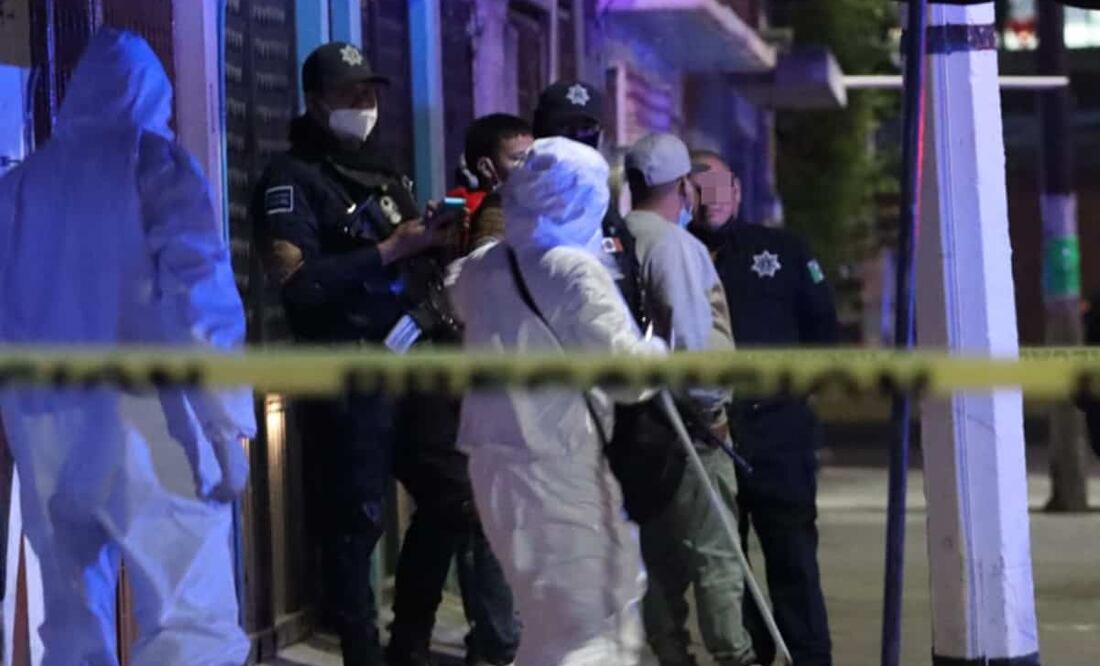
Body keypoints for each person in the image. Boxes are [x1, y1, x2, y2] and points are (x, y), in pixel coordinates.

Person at [0, 29, 254, 665]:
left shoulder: (18, 189)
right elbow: (202, 306)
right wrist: (227, 423)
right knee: (188, 622)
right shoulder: (155, 163)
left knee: (71, 630)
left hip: (47, 436)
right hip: (155, 434)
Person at [251, 42, 453, 665]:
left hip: (412, 357)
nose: (364, 105)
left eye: (369, 93)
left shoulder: (384, 168)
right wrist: (389, 251)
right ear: (316, 103)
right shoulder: (291, 181)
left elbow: (409, 252)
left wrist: (438, 240)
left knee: (449, 497)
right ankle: (363, 653)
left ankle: (410, 645)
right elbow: (301, 285)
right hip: (347, 369)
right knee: (355, 523)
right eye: (349, 95)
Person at [448, 137, 666, 666]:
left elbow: (455, 293)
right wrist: (659, 349)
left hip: (493, 465)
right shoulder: (572, 269)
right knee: (591, 620)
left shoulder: (481, 268)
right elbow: (628, 375)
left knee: (550, 620)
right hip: (556, 463)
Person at [386, 114, 531, 666]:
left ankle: (423, 638)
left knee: (453, 515)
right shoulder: (468, 215)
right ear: (489, 164)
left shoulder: (520, 213)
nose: (531, 170)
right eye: (520, 159)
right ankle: (482, 641)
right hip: (445, 393)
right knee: (462, 509)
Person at [689, 149, 836, 666]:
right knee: (729, 571)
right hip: (708, 435)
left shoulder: (782, 250)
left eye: (720, 185)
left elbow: (823, 333)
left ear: (738, 190)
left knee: (793, 559)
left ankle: (811, 658)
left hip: (778, 432)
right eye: (697, 187)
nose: (711, 198)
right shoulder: (674, 255)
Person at [622, 133, 757, 666]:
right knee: (716, 559)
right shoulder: (676, 247)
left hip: (634, 428)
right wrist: (711, 413)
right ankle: (733, 654)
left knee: (655, 564)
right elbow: (693, 345)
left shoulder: (610, 238)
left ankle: (670, 654)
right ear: (684, 187)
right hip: (689, 431)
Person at [532, 81, 644, 324]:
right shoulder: (518, 203)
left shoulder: (603, 206)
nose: (576, 139)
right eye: (565, 128)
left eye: (586, 128)